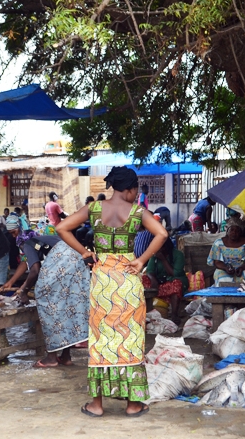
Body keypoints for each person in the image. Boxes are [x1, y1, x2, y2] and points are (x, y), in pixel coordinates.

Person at [56, 166, 168, 417]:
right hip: (128, 281)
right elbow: (161, 233)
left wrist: (85, 252)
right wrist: (141, 261)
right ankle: (133, 404)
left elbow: (61, 227)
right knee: (130, 339)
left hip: (102, 281)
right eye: (135, 190)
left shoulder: (94, 208)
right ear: (129, 190)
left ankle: (96, 405)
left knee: (100, 339)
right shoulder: (138, 212)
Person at [12, 234, 89, 368]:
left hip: (64, 262)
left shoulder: (28, 243)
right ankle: (66, 356)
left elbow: (35, 270)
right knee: (67, 307)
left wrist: (24, 292)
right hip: (78, 260)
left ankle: (51, 358)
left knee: (48, 303)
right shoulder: (47, 239)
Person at [143, 239, 188, 323]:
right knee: (143, 279)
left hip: (173, 281)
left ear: (165, 247)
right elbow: (149, 271)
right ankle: (146, 311)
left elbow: (175, 273)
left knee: (176, 284)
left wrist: (163, 260)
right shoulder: (155, 255)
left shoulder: (178, 255)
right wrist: (153, 280)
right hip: (159, 284)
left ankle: (174, 315)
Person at [207, 217, 245, 285]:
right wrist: (226, 268)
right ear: (227, 230)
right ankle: (223, 295)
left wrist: (241, 268)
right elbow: (217, 262)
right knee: (222, 278)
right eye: (232, 230)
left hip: (243, 268)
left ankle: (243, 295)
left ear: (241, 232)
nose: (234, 233)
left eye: (237, 231)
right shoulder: (218, 243)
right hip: (224, 268)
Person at [0, 217, 39, 290]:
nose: (13, 236)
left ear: (19, 227)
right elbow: (25, 261)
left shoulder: (29, 236)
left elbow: (35, 268)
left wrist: (24, 288)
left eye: (14, 232)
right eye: (10, 233)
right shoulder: (20, 240)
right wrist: (11, 282)